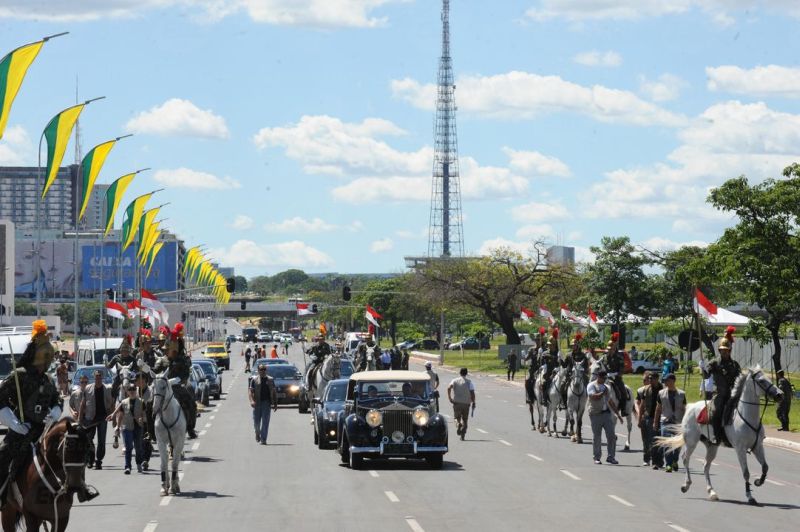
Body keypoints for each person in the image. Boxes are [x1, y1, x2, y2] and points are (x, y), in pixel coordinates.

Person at [0, 321, 96, 502]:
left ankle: (81, 487)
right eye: (44, 361)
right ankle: (2, 493)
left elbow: (57, 399)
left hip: (45, 428)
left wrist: (55, 411)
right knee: (3, 456)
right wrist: (13, 423)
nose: (45, 365)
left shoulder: (48, 379)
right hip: (22, 429)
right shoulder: (18, 375)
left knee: (73, 449)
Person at [153, 323, 198, 439]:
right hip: (164, 387)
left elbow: (186, 373)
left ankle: (190, 427)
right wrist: (145, 368)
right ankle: (150, 430)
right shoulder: (162, 360)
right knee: (150, 404)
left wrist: (180, 380)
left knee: (191, 403)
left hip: (177, 387)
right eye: (167, 350)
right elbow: (155, 371)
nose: (168, 352)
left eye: (171, 350)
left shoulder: (183, 359)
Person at [700, 326, 741, 445]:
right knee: (717, 412)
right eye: (722, 350)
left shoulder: (735, 364)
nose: (724, 352)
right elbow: (706, 376)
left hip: (733, 394)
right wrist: (702, 368)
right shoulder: (714, 363)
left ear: (729, 351)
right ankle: (717, 436)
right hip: (720, 395)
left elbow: (740, 378)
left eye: (726, 350)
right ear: (719, 350)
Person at [586, 370, 623, 465]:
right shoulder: (591, 385)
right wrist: (603, 392)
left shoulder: (607, 387)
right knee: (597, 437)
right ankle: (597, 457)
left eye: (605, 378)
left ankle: (611, 457)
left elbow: (610, 401)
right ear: (598, 377)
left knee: (611, 436)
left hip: (606, 414)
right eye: (602, 378)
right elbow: (593, 397)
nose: (603, 380)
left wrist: (618, 414)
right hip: (595, 414)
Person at [108, 384, 145, 474]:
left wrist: (142, 419)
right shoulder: (124, 402)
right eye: (130, 389)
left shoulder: (141, 402)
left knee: (138, 447)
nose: (132, 391)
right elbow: (120, 415)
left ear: (136, 391)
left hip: (138, 427)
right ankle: (128, 467)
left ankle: (139, 463)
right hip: (127, 427)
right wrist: (117, 426)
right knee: (128, 447)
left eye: (133, 389)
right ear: (127, 392)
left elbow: (144, 414)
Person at [80, 369, 113, 469]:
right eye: (96, 376)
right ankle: (90, 460)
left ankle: (99, 460)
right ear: (93, 377)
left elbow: (111, 403)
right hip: (90, 418)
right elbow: (83, 404)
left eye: (99, 376)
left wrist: (113, 416)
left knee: (101, 441)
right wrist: (79, 419)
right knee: (89, 439)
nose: (98, 378)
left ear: (102, 377)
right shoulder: (88, 389)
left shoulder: (107, 389)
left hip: (103, 418)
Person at [654, 373, 687, 472]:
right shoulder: (661, 393)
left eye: (667, 380)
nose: (665, 382)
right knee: (667, 443)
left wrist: (686, 423)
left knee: (677, 445)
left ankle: (674, 460)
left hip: (678, 422)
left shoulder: (682, 394)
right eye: (664, 381)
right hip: (665, 421)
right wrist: (655, 422)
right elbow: (658, 409)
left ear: (673, 381)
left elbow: (685, 409)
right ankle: (668, 464)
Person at [636, 372, 663, 469]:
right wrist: (639, 419)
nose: (650, 380)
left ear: (657, 379)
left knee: (656, 440)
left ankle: (658, 461)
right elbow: (642, 405)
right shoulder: (646, 389)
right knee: (646, 440)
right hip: (646, 417)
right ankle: (646, 458)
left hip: (658, 418)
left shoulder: (663, 390)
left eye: (652, 379)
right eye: (649, 379)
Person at [248, 364, 277, 445]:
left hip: (266, 403)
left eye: (264, 369)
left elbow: (274, 392)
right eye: (261, 369)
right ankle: (257, 433)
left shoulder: (270, 380)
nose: (263, 371)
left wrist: (275, 403)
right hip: (257, 403)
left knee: (265, 422)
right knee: (256, 423)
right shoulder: (254, 380)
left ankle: (263, 439)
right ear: (258, 370)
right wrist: (251, 401)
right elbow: (250, 392)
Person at [448, 368, 475, 441]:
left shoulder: (454, 380)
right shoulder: (469, 382)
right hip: (466, 403)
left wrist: (450, 398)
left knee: (456, 418)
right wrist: (473, 402)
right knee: (465, 420)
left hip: (457, 403)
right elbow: (472, 393)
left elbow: (449, 388)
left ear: (460, 373)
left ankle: (458, 424)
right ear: (466, 373)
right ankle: (463, 436)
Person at [604, 332, 627, 414]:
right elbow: (602, 367)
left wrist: (615, 374)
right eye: (608, 349)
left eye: (610, 349)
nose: (609, 350)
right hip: (606, 378)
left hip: (616, 378)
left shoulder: (619, 357)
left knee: (624, 393)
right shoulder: (605, 357)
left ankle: (623, 409)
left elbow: (622, 369)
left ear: (614, 348)